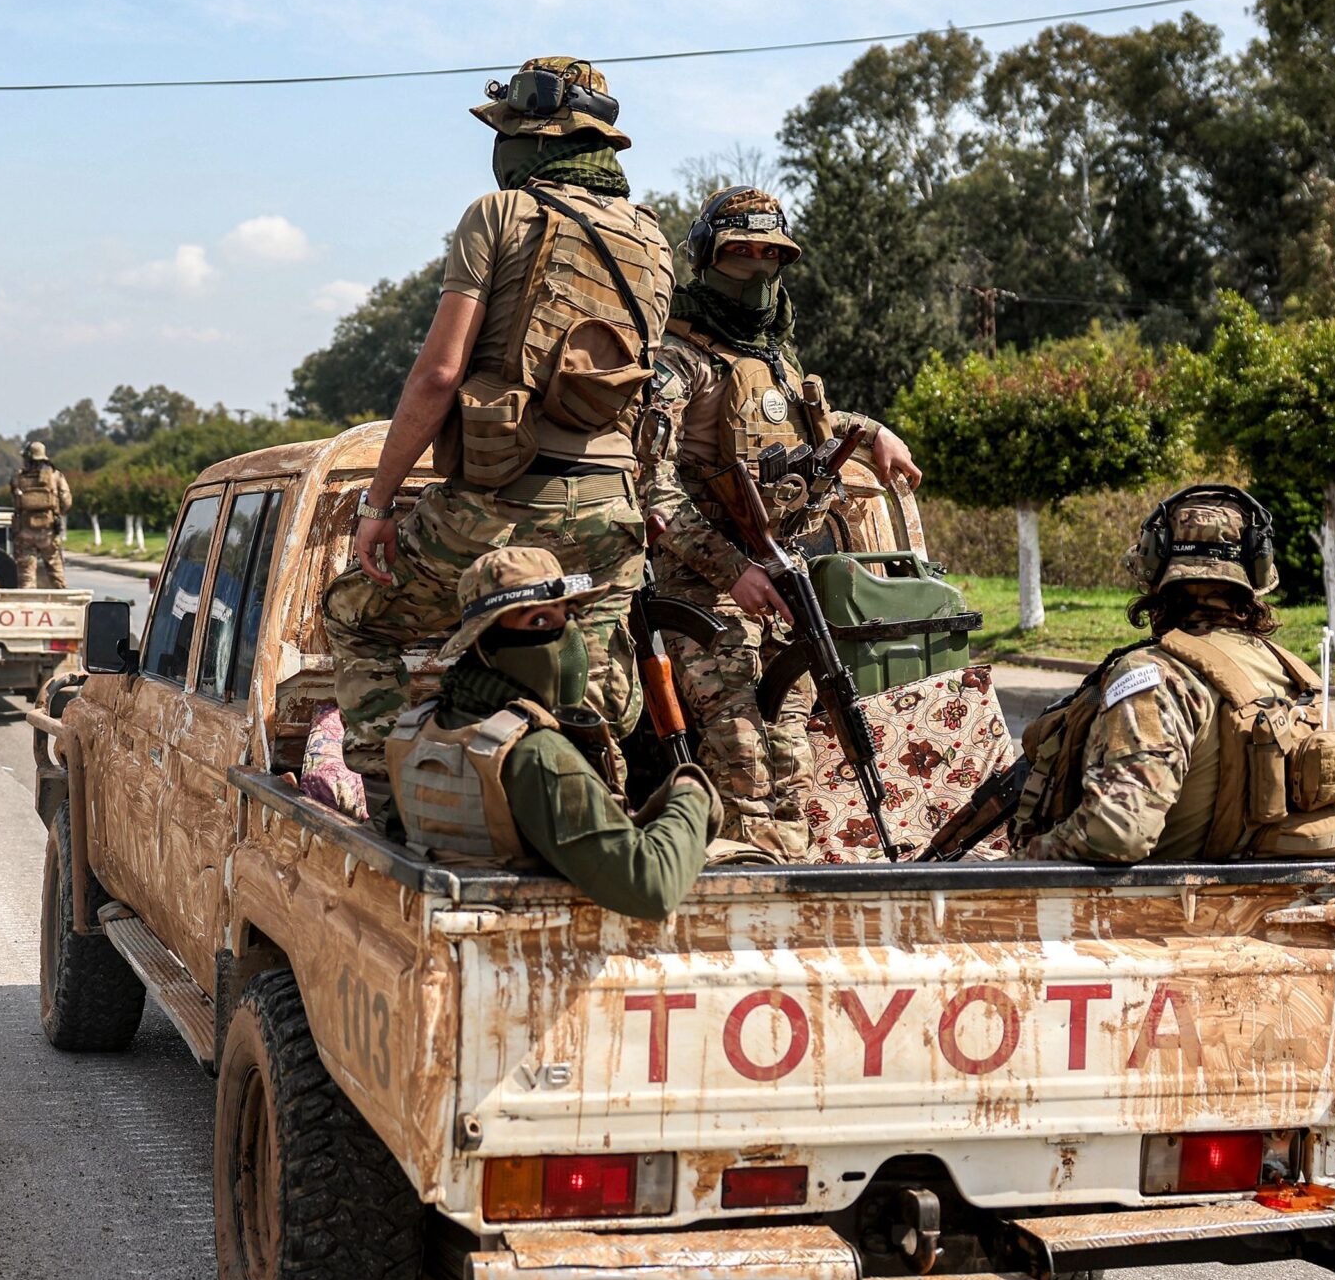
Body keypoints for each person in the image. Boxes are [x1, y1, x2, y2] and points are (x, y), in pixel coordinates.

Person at [309, 57, 674, 817]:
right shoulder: (655, 242)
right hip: (613, 513)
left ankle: (396, 804)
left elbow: (438, 377)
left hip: (501, 505)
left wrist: (379, 502)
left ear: (529, 138)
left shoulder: (500, 215)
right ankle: (588, 822)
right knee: (590, 682)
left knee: (355, 618)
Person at [640, 186, 922, 859]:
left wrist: (873, 431)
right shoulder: (676, 364)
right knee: (742, 757)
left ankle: (790, 883)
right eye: (739, 257)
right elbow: (650, 488)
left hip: (778, 590)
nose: (757, 273)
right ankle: (741, 892)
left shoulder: (774, 359)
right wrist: (732, 570)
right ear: (706, 261)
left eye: (772, 257)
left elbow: (807, 437)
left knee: (792, 755)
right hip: (699, 593)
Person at [1015, 486, 1335, 863]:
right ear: (1256, 574)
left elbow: (1116, 833)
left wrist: (1024, 861)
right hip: (1266, 903)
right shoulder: (1291, 673)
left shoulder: (1151, 676)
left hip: (1161, 911)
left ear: (1153, 569)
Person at [384, 548, 718, 920]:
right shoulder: (537, 752)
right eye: (539, 622)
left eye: (570, 616)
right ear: (486, 642)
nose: (568, 638)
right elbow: (651, 888)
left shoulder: (419, 729)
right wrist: (691, 792)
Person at [11, 440, 73, 589]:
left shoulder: (18, 477)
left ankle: (27, 606)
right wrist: (56, 512)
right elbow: (66, 501)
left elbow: (15, 500)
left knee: (27, 575)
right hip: (48, 530)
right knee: (56, 571)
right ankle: (62, 602)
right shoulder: (55, 476)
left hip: (25, 531)